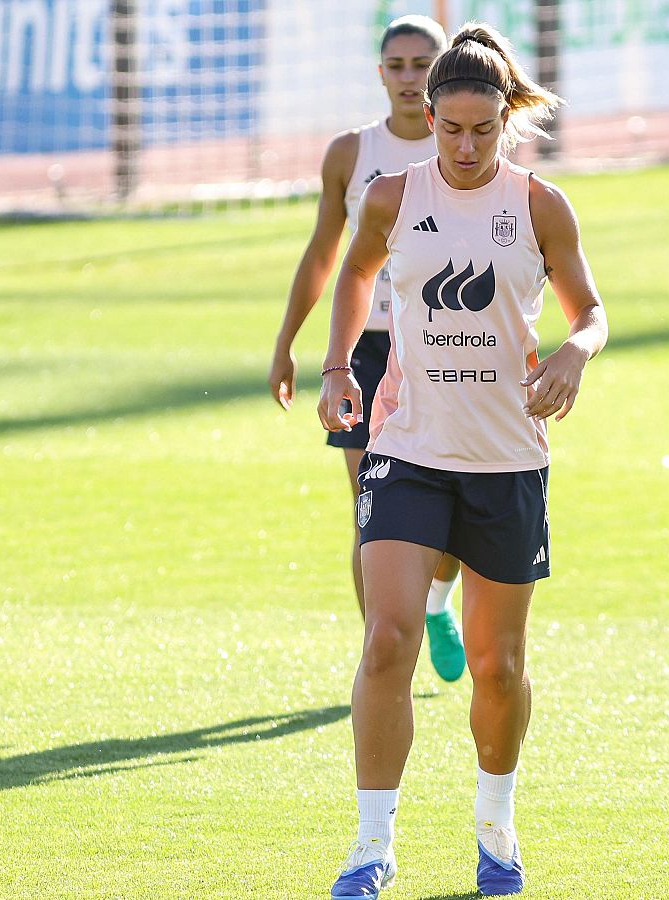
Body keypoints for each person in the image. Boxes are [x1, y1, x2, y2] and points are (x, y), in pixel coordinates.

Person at [317, 22, 606, 899]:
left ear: (506, 121)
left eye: (485, 129)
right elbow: (356, 276)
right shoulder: (392, 198)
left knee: (498, 666)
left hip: (509, 461)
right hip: (408, 450)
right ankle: (371, 847)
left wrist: (572, 353)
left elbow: (591, 310)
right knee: (388, 640)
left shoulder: (540, 205)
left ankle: (495, 827)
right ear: (427, 115)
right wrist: (336, 366)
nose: (468, 145)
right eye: (453, 129)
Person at [269, 15, 467, 682]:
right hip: (366, 350)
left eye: (422, 65)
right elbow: (326, 253)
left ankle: (437, 601)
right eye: (398, 65)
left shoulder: (466, 148)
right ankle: (382, 662)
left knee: (453, 520)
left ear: (444, 71)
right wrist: (289, 341)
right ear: (380, 73)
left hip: (447, 346)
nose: (410, 78)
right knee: (373, 511)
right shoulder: (351, 154)